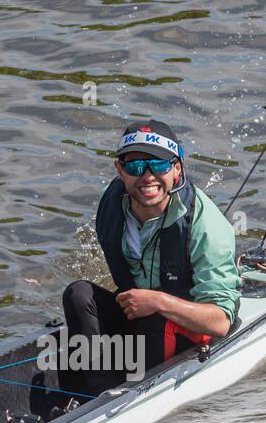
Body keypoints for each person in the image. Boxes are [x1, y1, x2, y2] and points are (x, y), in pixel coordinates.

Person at [62, 120, 240, 397]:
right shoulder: (112, 204)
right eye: (134, 166)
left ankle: (131, 394)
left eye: (159, 165)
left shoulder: (206, 225)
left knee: (156, 317)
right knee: (78, 294)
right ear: (119, 170)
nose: (147, 177)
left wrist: (157, 301)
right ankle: (95, 393)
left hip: (184, 329)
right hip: (141, 322)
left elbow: (220, 322)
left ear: (177, 169)